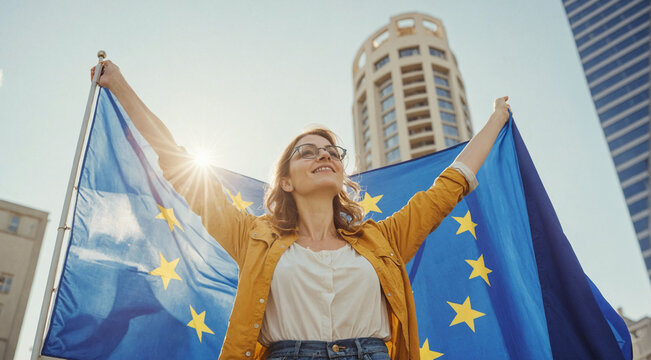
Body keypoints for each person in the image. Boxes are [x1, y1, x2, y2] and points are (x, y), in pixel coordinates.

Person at [93, 60, 511, 360]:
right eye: (307, 153)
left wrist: (495, 120)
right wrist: (121, 86)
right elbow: (177, 163)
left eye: (331, 152)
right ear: (287, 181)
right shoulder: (253, 237)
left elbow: (448, 188)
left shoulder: (382, 240)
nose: (323, 156)